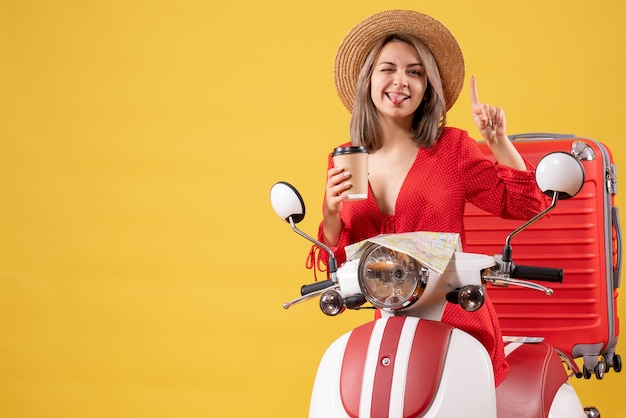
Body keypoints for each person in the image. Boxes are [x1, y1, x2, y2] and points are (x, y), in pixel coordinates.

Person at [307, 9, 550, 387]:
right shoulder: (346, 156)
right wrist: (331, 213)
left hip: (457, 319)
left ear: (427, 87)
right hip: (391, 325)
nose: (400, 81)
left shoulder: (451, 147)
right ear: (369, 79)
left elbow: (525, 205)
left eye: (415, 72)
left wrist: (498, 141)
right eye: (388, 68)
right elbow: (340, 265)